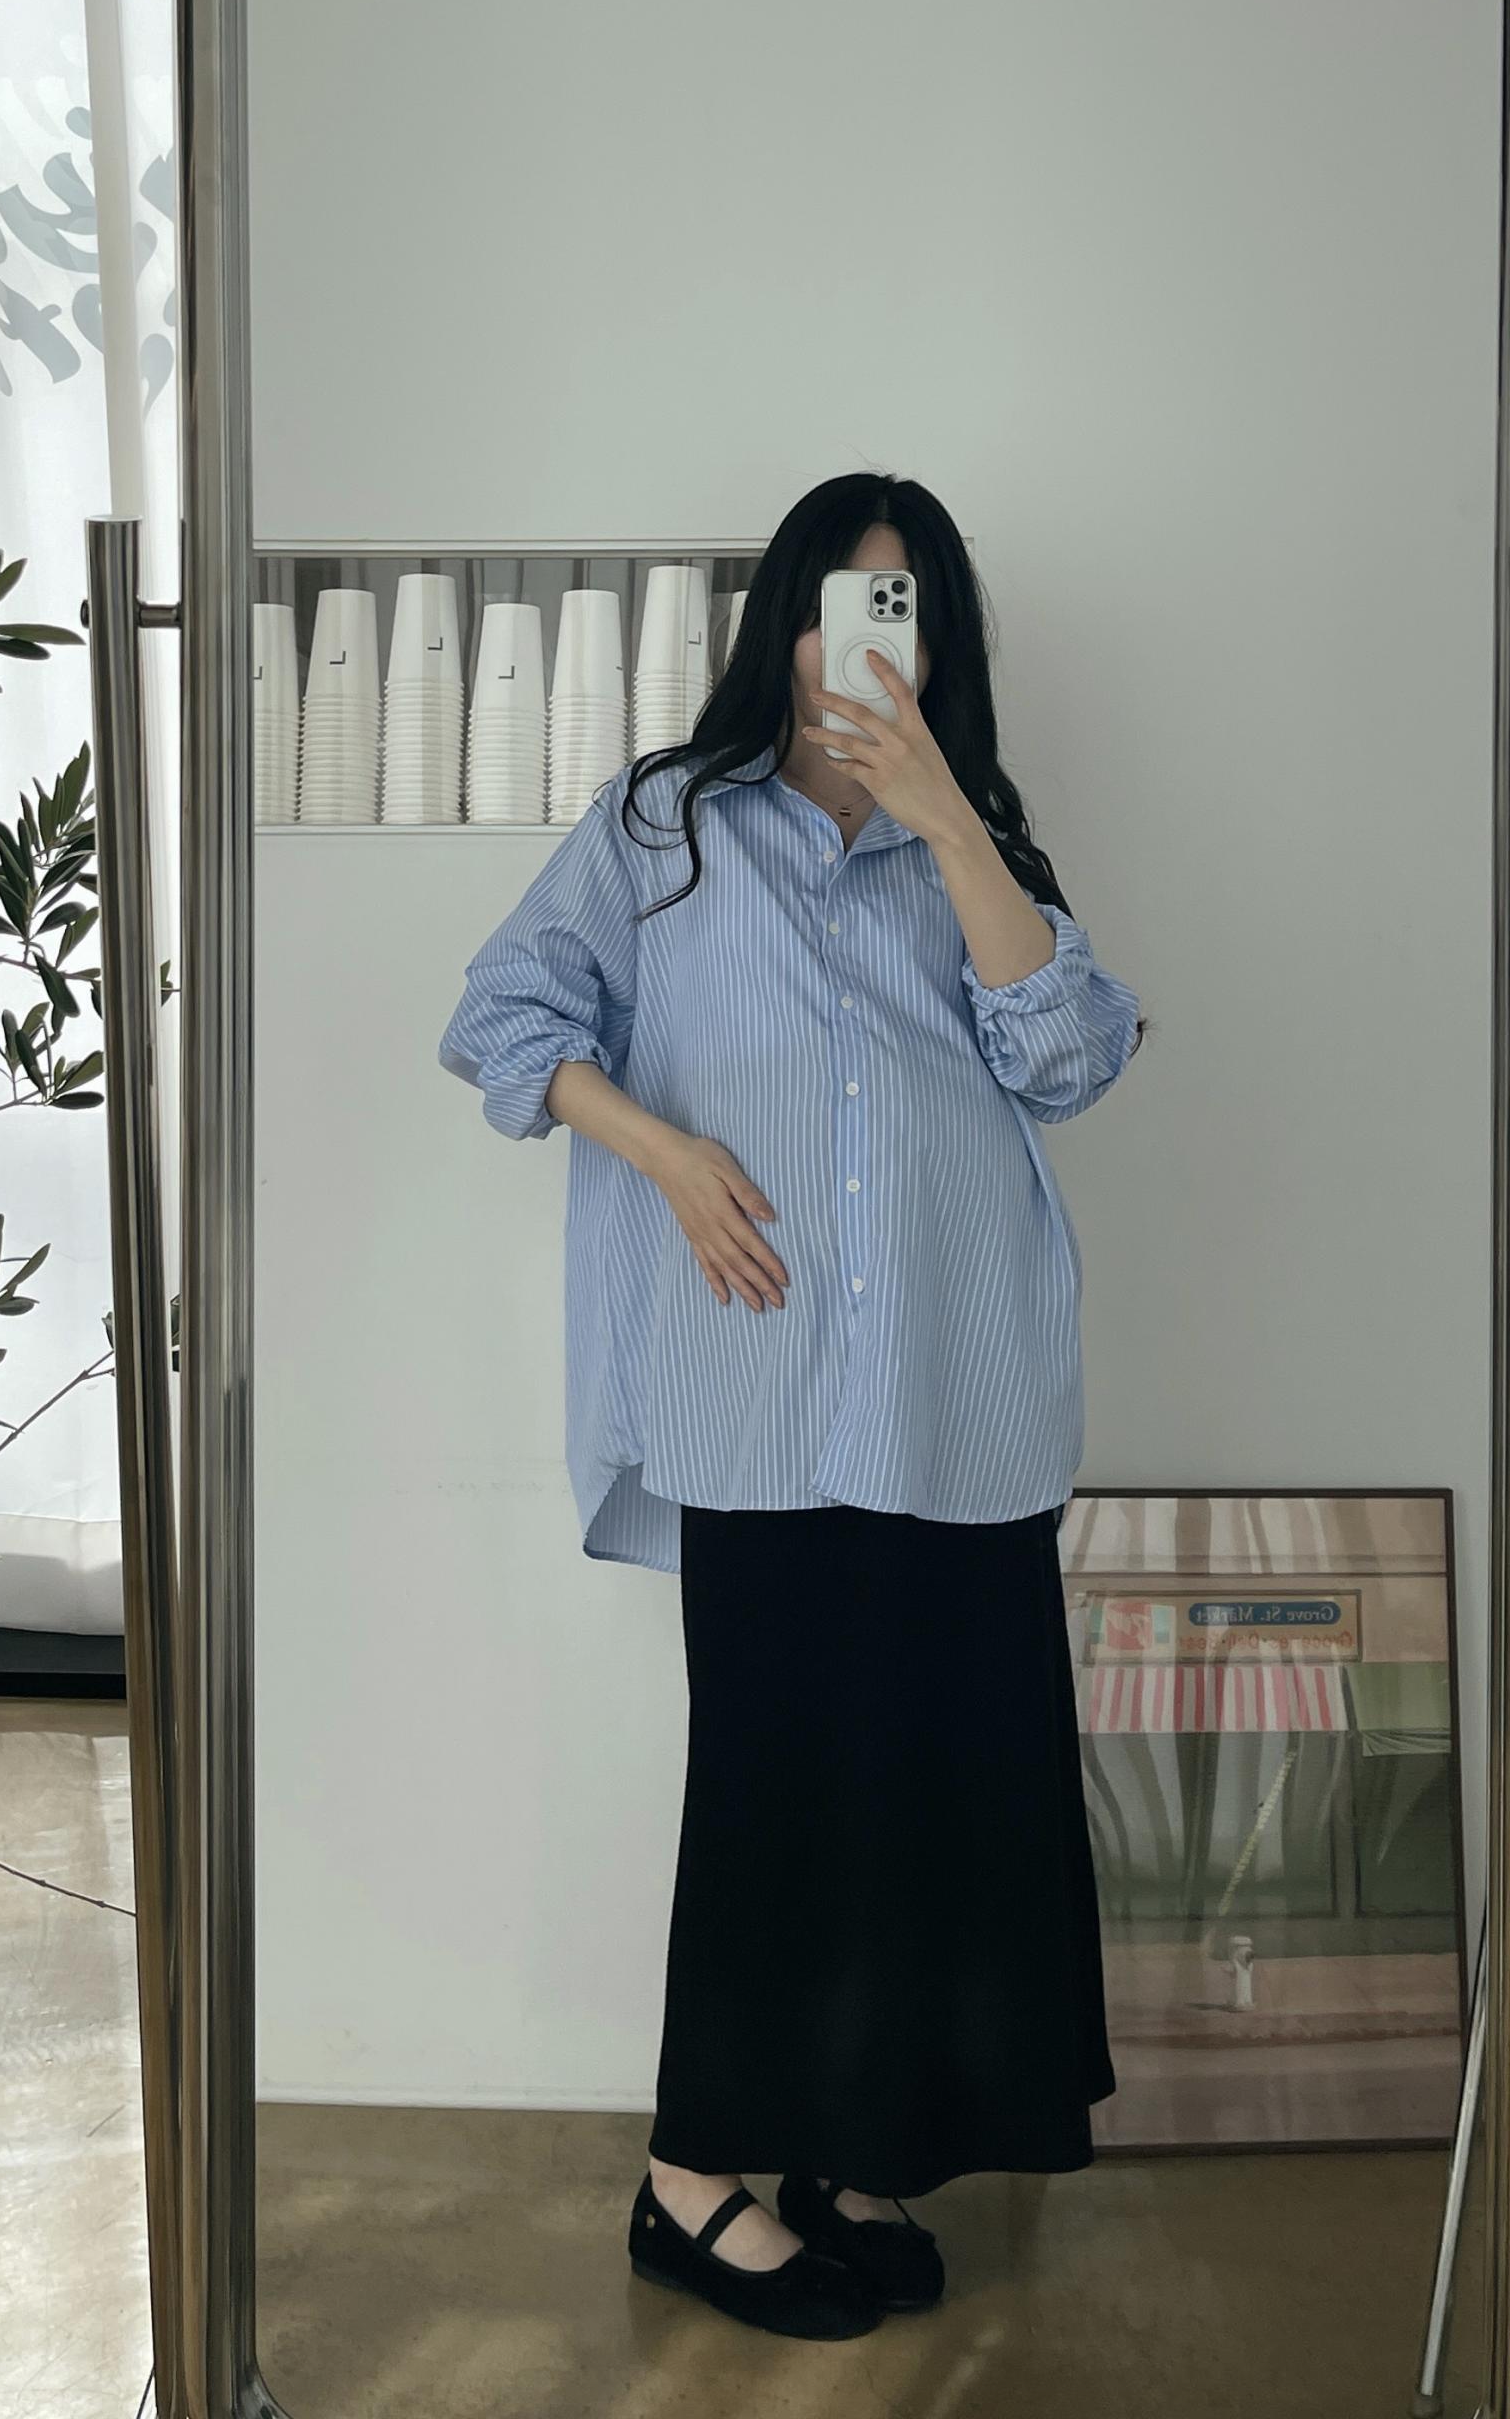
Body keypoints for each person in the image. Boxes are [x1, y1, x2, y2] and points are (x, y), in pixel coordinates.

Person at [438, 470, 1146, 2342]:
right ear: (789, 625)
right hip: (753, 1394)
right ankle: (689, 2185)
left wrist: (948, 817)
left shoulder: (975, 840)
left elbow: (1071, 1058)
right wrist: (663, 1152)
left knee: (939, 1800)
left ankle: (847, 2150)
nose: (865, 641)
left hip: (958, 1394)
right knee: (775, 1796)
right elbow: (504, 1018)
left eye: (903, 606)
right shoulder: (665, 824)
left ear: (941, 640)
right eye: (843, 601)